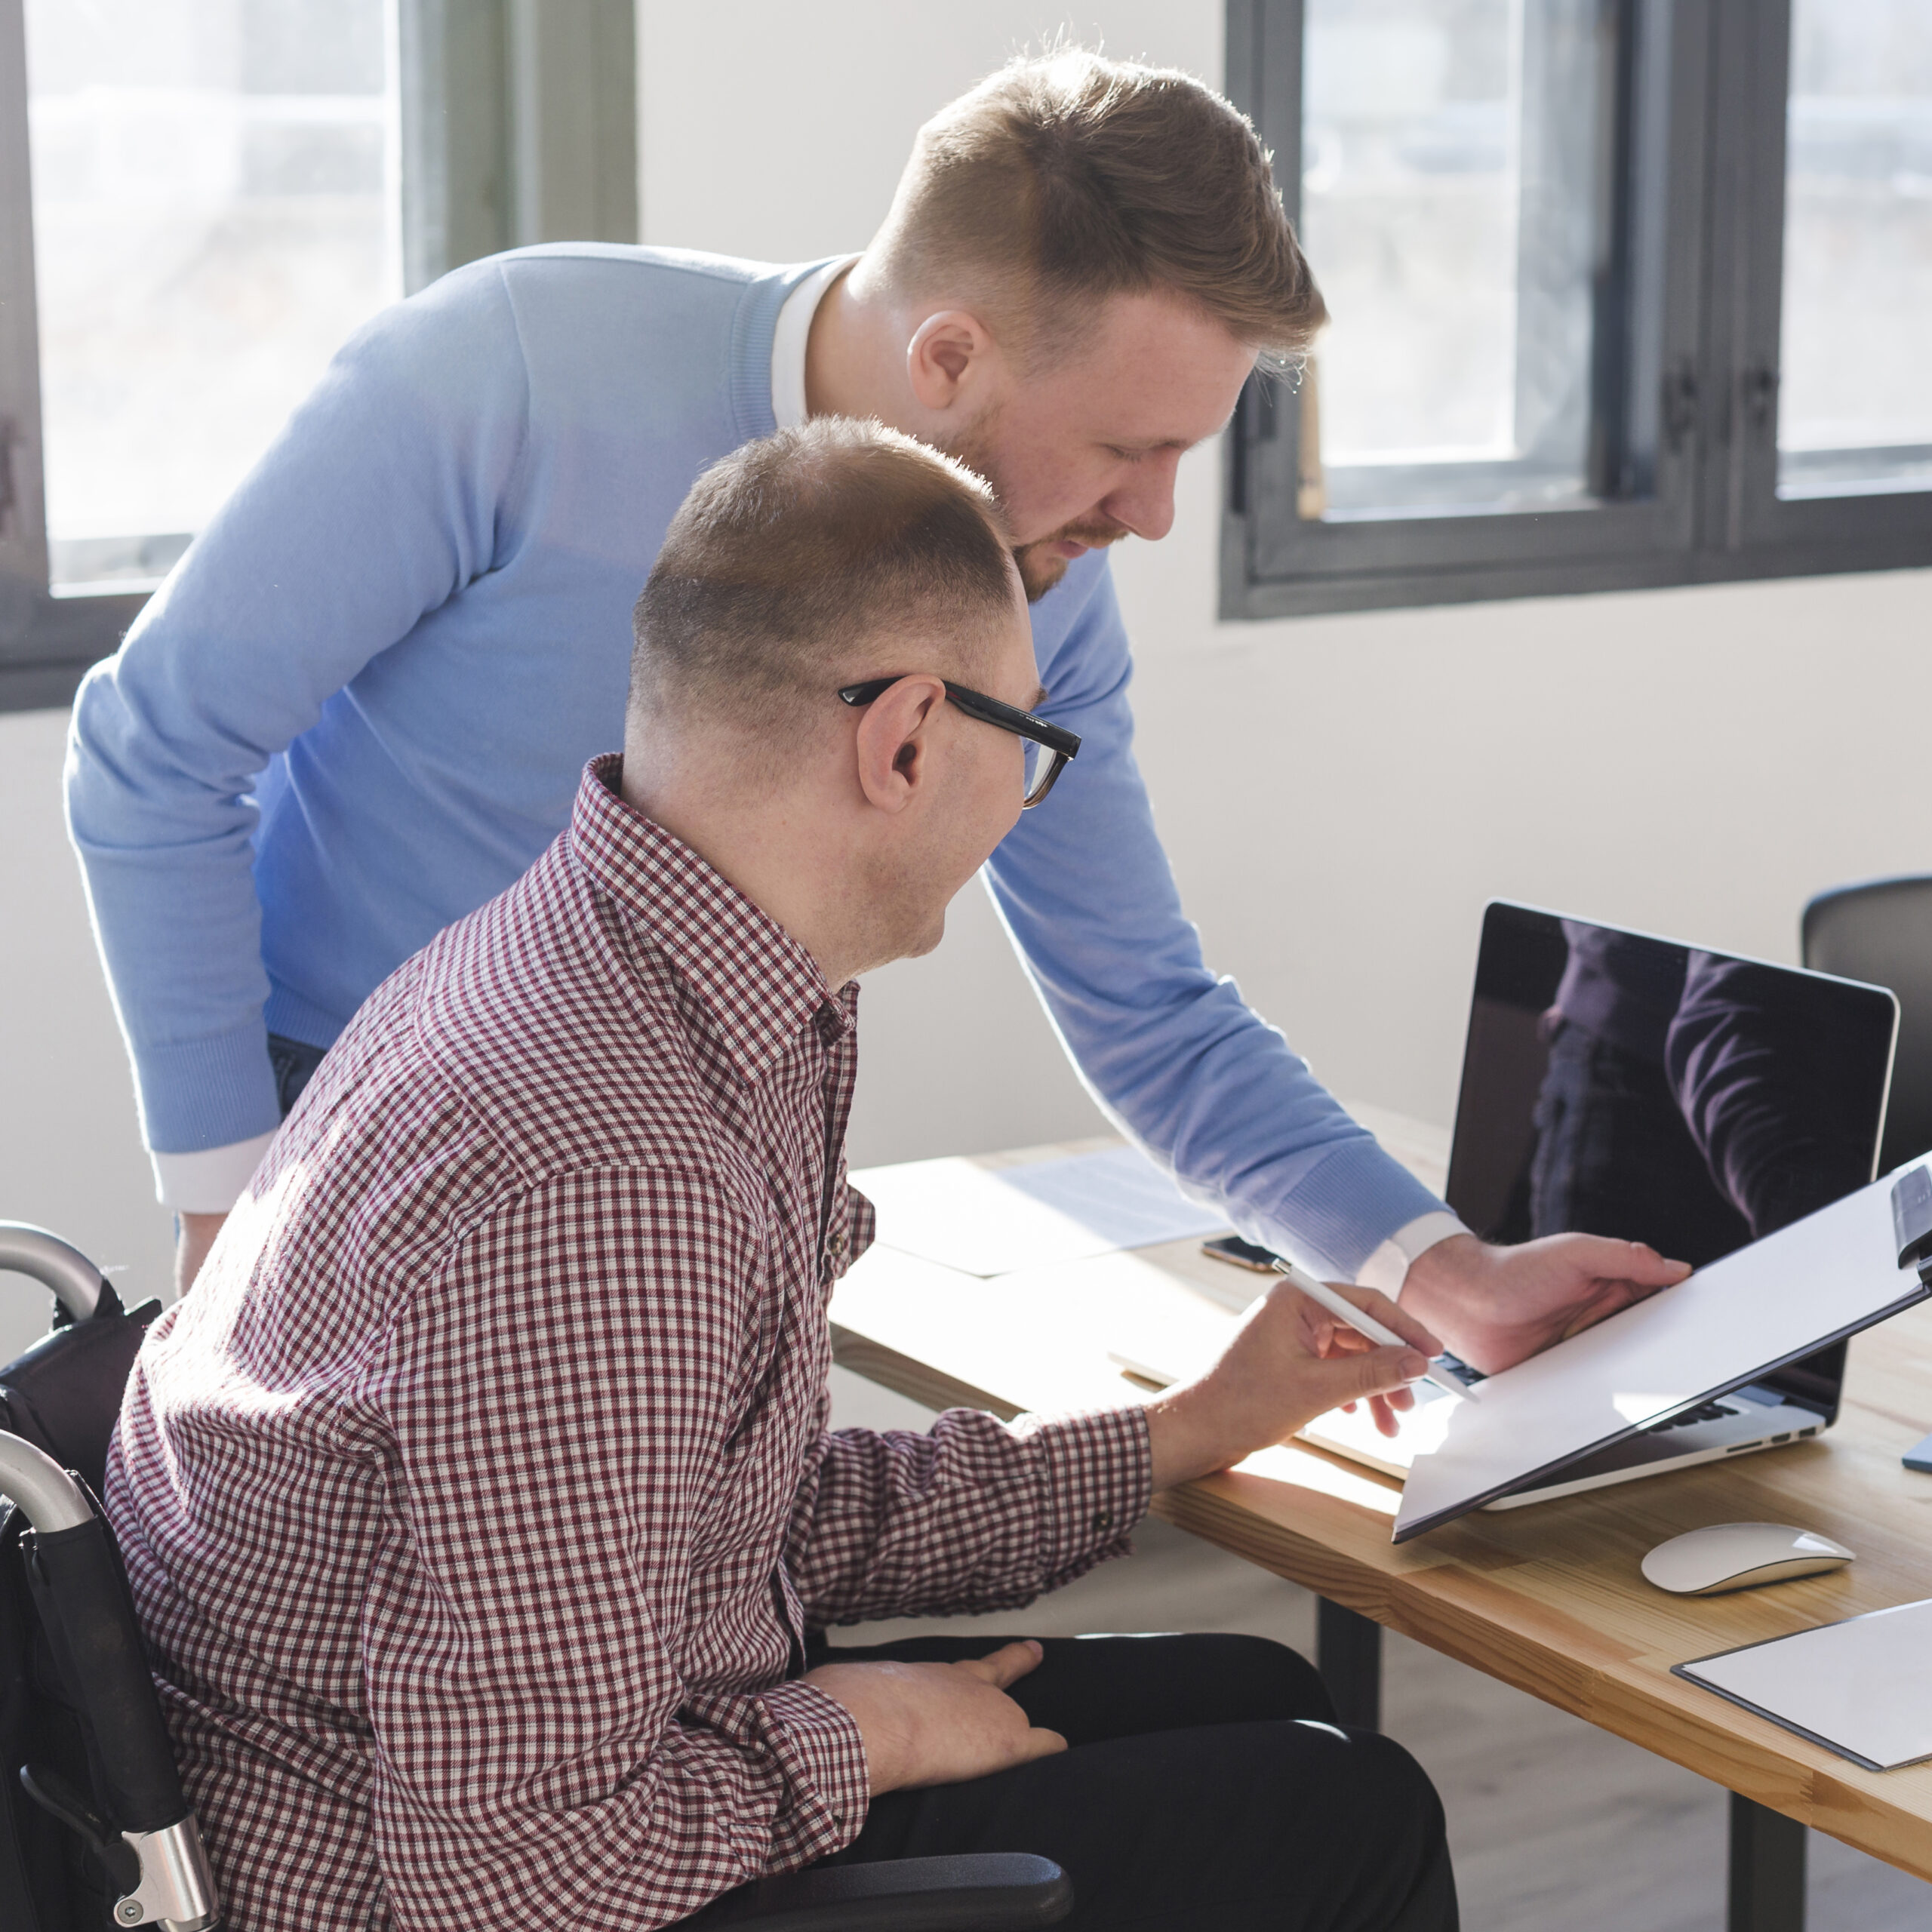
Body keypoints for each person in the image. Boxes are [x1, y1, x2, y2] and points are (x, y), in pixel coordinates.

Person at [68, 47, 1683, 1361]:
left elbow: (1142, 998)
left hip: (701, 1190)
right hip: (351, 1138)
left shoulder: (1038, 573)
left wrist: (1441, 1268)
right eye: (1131, 447)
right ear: (949, 357)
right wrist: (231, 1208)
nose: (1151, 517)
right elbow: (154, 755)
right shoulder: (509, 370)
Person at [107, 422, 1457, 1931]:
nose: (1024, 797)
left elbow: (725, 1508)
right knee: (1346, 1814)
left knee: (1258, 1687)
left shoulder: (598, 958)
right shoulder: (607, 1171)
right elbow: (514, 1868)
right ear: (904, 741)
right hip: (444, 1878)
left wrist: (1186, 1429)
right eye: (1034, 745)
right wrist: (860, 1733)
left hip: (502, 1767)